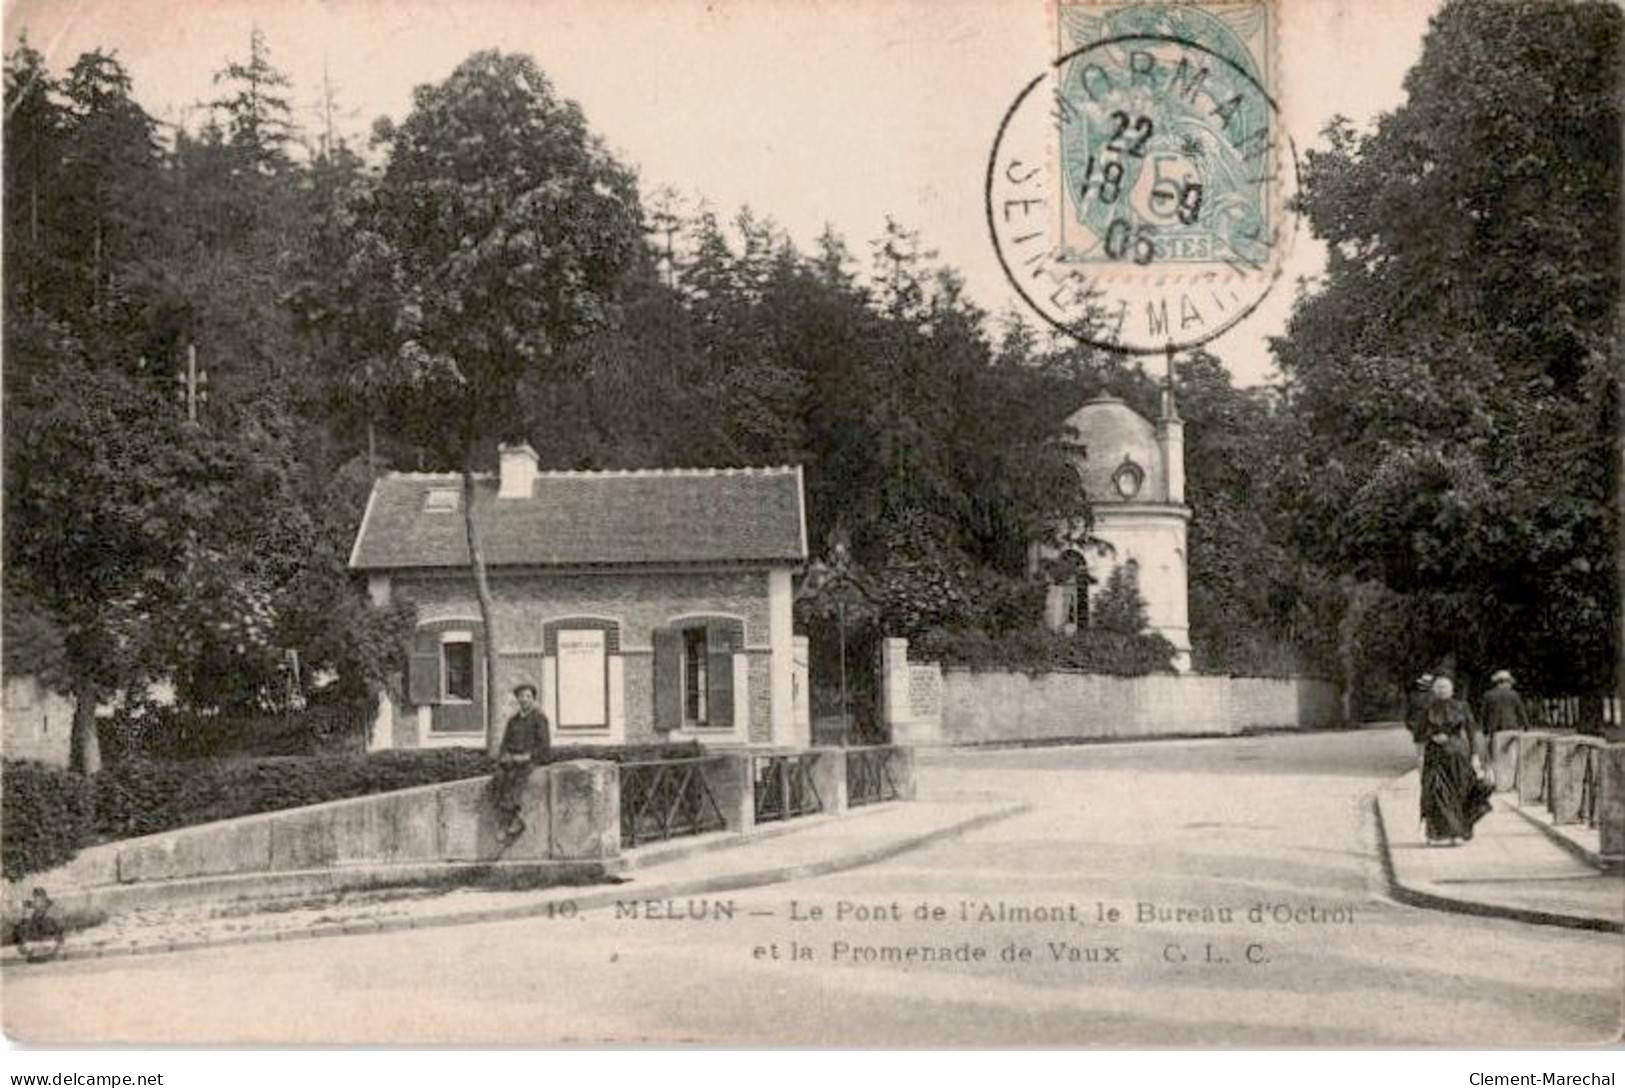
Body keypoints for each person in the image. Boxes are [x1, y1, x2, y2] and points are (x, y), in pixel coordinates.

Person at [1413, 674, 1491, 845]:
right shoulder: (1428, 709)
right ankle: (1436, 835)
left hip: (1458, 756)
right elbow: (1418, 734)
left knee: (1458, 793)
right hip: (1435, 757)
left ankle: (1457, 833)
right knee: (1435, 793)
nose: (1442, 690)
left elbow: (1471, 732)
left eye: (1445, 687)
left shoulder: (1462, 707)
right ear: (1434, 690)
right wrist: (1432, 737)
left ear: (1452, 690)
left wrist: (1475, 756)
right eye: (1439, 687)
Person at [493, 683, 550, 841]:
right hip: (513, 759)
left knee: (518, 778)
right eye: (521, 696)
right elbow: (505, 743)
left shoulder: (539, 718)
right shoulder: (513, 721)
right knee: (499, 777)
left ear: (533, 699)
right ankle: (506, 819)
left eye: (528, 696)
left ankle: (515, 819)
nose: (524, 700)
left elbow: (544, 746)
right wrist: (504, 756)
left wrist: (527, 756)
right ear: (517, 699)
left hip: (530, 760)